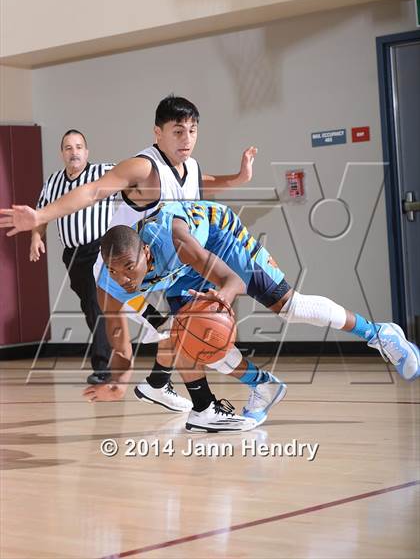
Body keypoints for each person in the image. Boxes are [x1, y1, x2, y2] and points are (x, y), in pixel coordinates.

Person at [0, 95, 258, 410]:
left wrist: (238, 178)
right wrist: (41, 219)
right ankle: (184, 396)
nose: (187, 138)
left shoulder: (187, 167)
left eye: (192, 130)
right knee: (175, 329)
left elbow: (199, 183)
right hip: (120, 274)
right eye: (178, 131)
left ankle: (159, 384)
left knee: (176, 328)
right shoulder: (141, 166)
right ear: (157, 133)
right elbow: (94, 190)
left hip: (154, 272)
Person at [82, 200, 420, 431]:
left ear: (144, 251)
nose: (124, 277)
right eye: (115, 271)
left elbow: (232, 279)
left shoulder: (174, 240)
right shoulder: (109, 285)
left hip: (220, 238)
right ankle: (263, 387)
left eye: (129, 267)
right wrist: (118, 382)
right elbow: (120, 344)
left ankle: (378, 333)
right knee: (191, 335)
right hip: (183, 272)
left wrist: (222, 296)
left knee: (290, 308)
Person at [31, 129, 114, 384]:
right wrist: (36, 237)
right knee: (91, 306)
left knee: (94, 303)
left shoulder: (103, 172)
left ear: (86, 152)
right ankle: (115, 354)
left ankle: (103, 367)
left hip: (100, 249)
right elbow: (41, 213)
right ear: (62, 154)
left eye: (78, 147)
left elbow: (137, 175)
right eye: (68, 147)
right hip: (73, 255)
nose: (74, 152)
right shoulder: (53, 182)